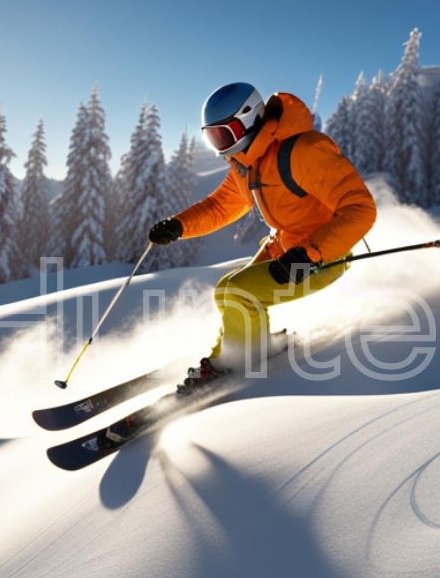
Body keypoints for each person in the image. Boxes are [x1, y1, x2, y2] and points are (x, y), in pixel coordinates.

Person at [148, 82, 376, 393]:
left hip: (321, 257)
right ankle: (244, 347)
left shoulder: (304, 151)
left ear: (250, 120)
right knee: (228, 289)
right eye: (212, 137)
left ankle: (235, 361)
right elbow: (219, 206)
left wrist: (311, 252)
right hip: (287, 249)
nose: (220, 147)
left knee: (239, 292)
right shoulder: (246, 163)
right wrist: (178, 225)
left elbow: (360, 207)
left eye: (224, 135)